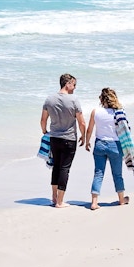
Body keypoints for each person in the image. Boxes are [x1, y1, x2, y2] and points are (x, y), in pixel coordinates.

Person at [39, 73, 86, 208]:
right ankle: (60, 201)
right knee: (65, 169)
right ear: (67, 84)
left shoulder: (49, 99)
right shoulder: (73, 100)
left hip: (54, 138)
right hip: (69, 139)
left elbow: (43, 120)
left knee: (56, 167)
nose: (75, 88)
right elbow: (81, 122)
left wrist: (44, 131)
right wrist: (84, 136)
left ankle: (54, 197)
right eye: (74, 85)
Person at [85, 87, 129, 210]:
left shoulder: (96, 112)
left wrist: (87, 142)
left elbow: (90, 129)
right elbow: (125, 131)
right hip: (115, 145)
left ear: (101, 98)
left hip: (99, 144)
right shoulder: (119, 112)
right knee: (117, 174)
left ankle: (94, 202)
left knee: (98, 173)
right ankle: (121, 199)